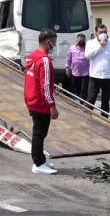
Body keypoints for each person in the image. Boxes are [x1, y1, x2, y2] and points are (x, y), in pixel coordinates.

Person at [24, 28, 59, 175]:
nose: (54, 46)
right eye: (54, 43)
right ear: (48, 42)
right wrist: (52, 106)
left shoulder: (32, 57)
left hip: (32, 100)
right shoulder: (44, 60)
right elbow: (45, 86)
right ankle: (38, 163)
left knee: (39, 133)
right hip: (40, 103)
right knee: (39, 134)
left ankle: (41, 160)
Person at [84, 24, 110, 118]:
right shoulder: (90, 43)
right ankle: (86, 119)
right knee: (91, 98)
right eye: (101, 32)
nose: (103, 34)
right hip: (95, 76)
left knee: (105, 100)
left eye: (105, 32)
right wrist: (99, 46)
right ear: (96, 33)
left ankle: (104, 120)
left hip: (109, 77)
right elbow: (87, 56)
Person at [65, 34, 90, 104]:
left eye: (83, 40)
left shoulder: (88, 48)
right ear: (77, 40)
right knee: (76, 89)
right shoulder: (72, 48)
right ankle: (81, 100)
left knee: (84, 90)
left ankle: (82, 103)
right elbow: (68, 59)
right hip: (75, 73)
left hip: (85, 73)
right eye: (80, 40)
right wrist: (67, 68)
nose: (81, 41)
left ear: (85, 40)